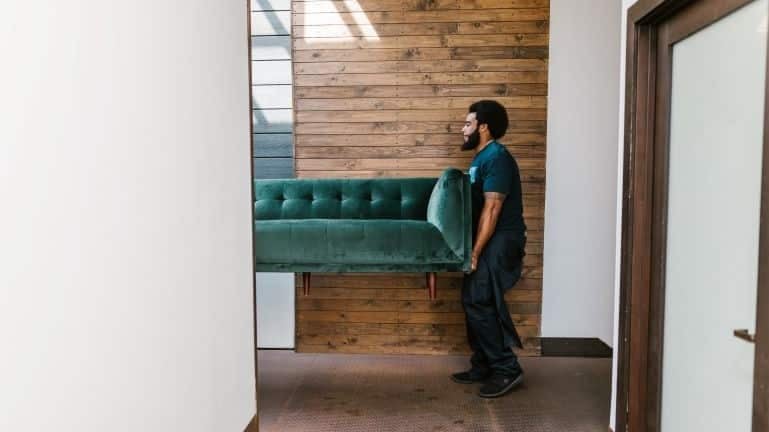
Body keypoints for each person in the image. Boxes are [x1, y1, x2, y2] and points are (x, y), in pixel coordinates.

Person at [451, 100, 527, 398]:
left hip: (501, 239)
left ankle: (507, 368)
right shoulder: (480, 158)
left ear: (483, 126)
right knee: (472, 299)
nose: (463, 128)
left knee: (479, 299)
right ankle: (482, 363)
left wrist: (476, 251)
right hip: (488, 239)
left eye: (468, 123)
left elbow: (492, 209)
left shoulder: (497, 157)